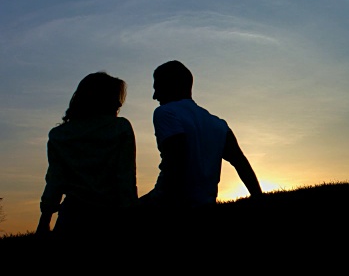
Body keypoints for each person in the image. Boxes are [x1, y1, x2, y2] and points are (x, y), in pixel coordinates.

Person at [138, 60, 262, 229]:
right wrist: (259, 198)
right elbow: (241, 162)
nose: (154, 96)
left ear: (171, 85)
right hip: (206, 207)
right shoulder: (218, 124)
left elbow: (176, 163)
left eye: (157, 87)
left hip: (172, 206)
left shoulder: (165, 112)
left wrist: (158, 202)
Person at [35, 72, 138, 241]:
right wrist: (131, 216)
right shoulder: (120, 128)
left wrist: (44, 221)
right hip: (111, 218)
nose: (119, 103)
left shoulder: (60, 135)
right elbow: (125, 178)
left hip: (72, 219)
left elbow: (55, 181)